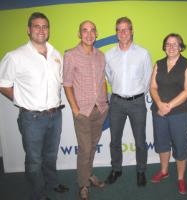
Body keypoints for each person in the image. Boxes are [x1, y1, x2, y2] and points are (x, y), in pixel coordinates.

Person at [0, 12, 69, 200]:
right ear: (28, 30)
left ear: (49, 30)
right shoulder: (15, 56)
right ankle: (38, 194)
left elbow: (60, 81)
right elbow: (2, 83)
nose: (41, 30)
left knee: (50, 155)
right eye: (37, 26)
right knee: (34, 160)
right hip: (32, 118)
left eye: (45, 26)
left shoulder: (56, 55)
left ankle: (52, 183)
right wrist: (21, 99)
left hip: (55, 116)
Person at [63, 20, 108, 200]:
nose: (89, 34)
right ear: (79, 34)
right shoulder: (71, 55)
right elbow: (67, 84)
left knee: (92, 147)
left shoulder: (101, 55)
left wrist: (104, 102)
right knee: (85, 148)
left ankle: (88, 174)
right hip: (82, 111)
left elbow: (102, 80)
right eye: (84, 30)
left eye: (92, 31)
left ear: (96, 34)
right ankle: (83, 184)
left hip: (100, 109)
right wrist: (75, 109)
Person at [105, 17, 152, 187]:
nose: (123, 33)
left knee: (140, 140)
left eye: (126, 29)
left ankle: (141, 171)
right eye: (119, 29)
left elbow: (147, 79)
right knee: (115, 140)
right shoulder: (109, 55)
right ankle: (116, 169)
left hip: (137, 103)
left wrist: (135, 94)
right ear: (116, 33)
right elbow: (110, 77)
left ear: (132, 31)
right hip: (116, 102)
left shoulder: (143, 53)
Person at [150, 33, 187, 195]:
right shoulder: (159, 64)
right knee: (162, 143)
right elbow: (153, 87)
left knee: (180, 146)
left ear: (181, 47)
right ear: (164, 46)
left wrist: (168, 106)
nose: (171, 47)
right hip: (159, 112)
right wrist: (160, 105)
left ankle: (181, 178)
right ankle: (164, 171)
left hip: (179, 113)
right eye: (168, 44)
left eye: (175, 44)